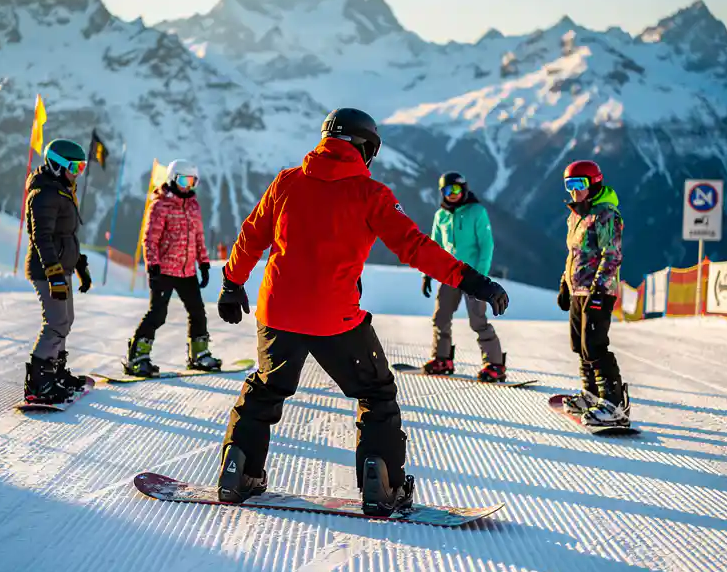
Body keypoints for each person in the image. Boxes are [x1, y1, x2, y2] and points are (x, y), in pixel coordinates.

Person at [215, 108, 510, 515]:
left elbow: (251, 235)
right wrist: (474, 282)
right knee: (375, 393)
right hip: (334, 317)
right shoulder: (370, 195)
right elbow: (416, 247)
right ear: (366, 147)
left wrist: (232, 282)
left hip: (277, 312)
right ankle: (380, 486)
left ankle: (237, 471)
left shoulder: (287, 182)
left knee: (266, 387)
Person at [124, 160, 221, 376]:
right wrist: (153, 266)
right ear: (173, 178)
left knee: (198, 312)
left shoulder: (193, 205)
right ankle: (137, 356)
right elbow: (150, 239)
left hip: (187, 271)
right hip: (165, 270)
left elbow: (198, 237)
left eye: (193, 181)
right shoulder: (160, 205)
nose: (189, 185)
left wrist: (203, 263)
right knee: (158, 314)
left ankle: (199, 354)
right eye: (185, 180)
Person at [557, 160, 629, 426]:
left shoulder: (606, 214)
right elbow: (573, 255)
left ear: (594, 183)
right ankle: (591, 395)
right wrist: (565, 284)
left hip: (599, 290)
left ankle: (613, 405)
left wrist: (598, 290)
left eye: (579, 184)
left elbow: (612, 255)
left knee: (595, 345)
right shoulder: (575, 215)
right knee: (579, 344)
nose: (574, 190)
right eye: (569, 185)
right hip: (578, 290)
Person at [23, 138, 93, 405]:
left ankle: (56, 373)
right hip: (46, 270)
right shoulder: (44, 194)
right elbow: (42, 237)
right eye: (74, 168)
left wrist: (79, 265)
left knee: (66, 321)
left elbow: (65, 235)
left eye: (81, 168)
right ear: (56, 164)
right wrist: (53, 273)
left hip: (59, 267)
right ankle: (39, 385)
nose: (77, 174)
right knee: (55, 324)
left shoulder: (60, 189)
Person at [421, 171, 506, 382]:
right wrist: (427, 274)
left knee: (478, 321)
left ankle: (494, 364)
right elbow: (434, 247)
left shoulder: (477, 212)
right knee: (441, 317)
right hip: (449, 275)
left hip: (473, 277)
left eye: (456, 189)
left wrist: (481, 279)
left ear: (464, 189)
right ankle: (442, 359)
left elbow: (486, 246)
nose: (452, 194)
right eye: (447, 190)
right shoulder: (440, 216)